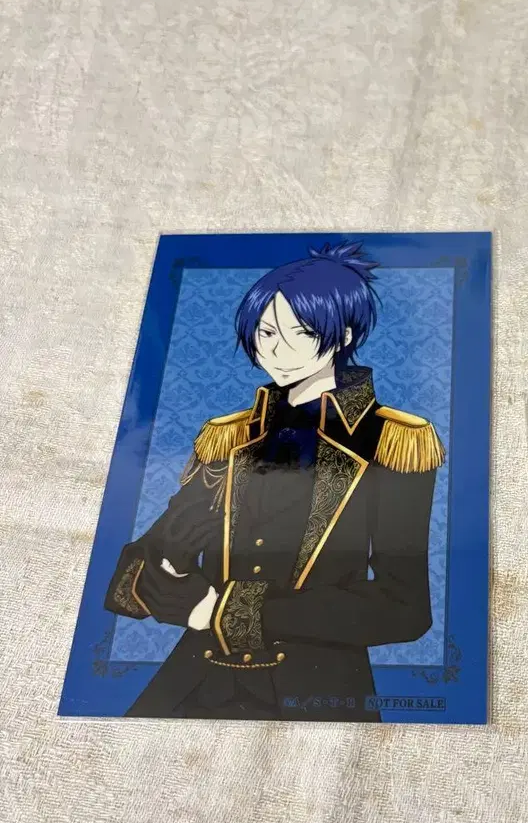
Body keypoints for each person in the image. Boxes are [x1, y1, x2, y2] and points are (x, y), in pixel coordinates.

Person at [105, 242, 443, 720]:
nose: (277, 350)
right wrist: (175, 566)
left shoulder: (394, 441)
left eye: (301, 332)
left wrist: (223, 610)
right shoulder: (229, 435)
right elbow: (137, 569)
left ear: (343, 336)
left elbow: (404, 608)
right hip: (197, 675)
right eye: (266, 332)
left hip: (319, 684)